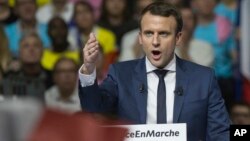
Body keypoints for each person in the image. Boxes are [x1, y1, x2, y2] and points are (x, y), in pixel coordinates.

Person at [78, 2, 231, 141]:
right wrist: (88, 69)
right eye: (149, 33)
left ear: (178, 38)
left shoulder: (204, 78)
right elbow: (93, 110)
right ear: (140, 38)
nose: (155, 41)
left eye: (163, 33)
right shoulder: (120, 74)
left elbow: (220, 132)